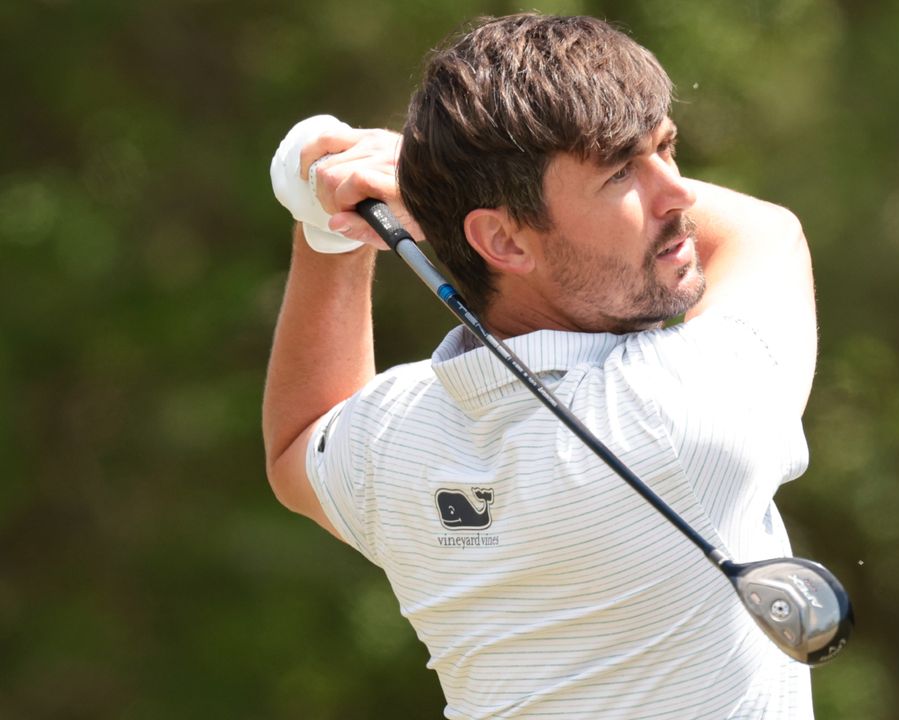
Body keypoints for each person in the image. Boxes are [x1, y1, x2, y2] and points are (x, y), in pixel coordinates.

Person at [263, 13, 818, 719]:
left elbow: (298, 441)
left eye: (665, 148)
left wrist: (329, 230)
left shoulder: (397, 446)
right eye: (621, 172)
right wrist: (419, 184)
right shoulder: (682, 411)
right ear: (500, 238)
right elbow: (764, 231)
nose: (677, 193)